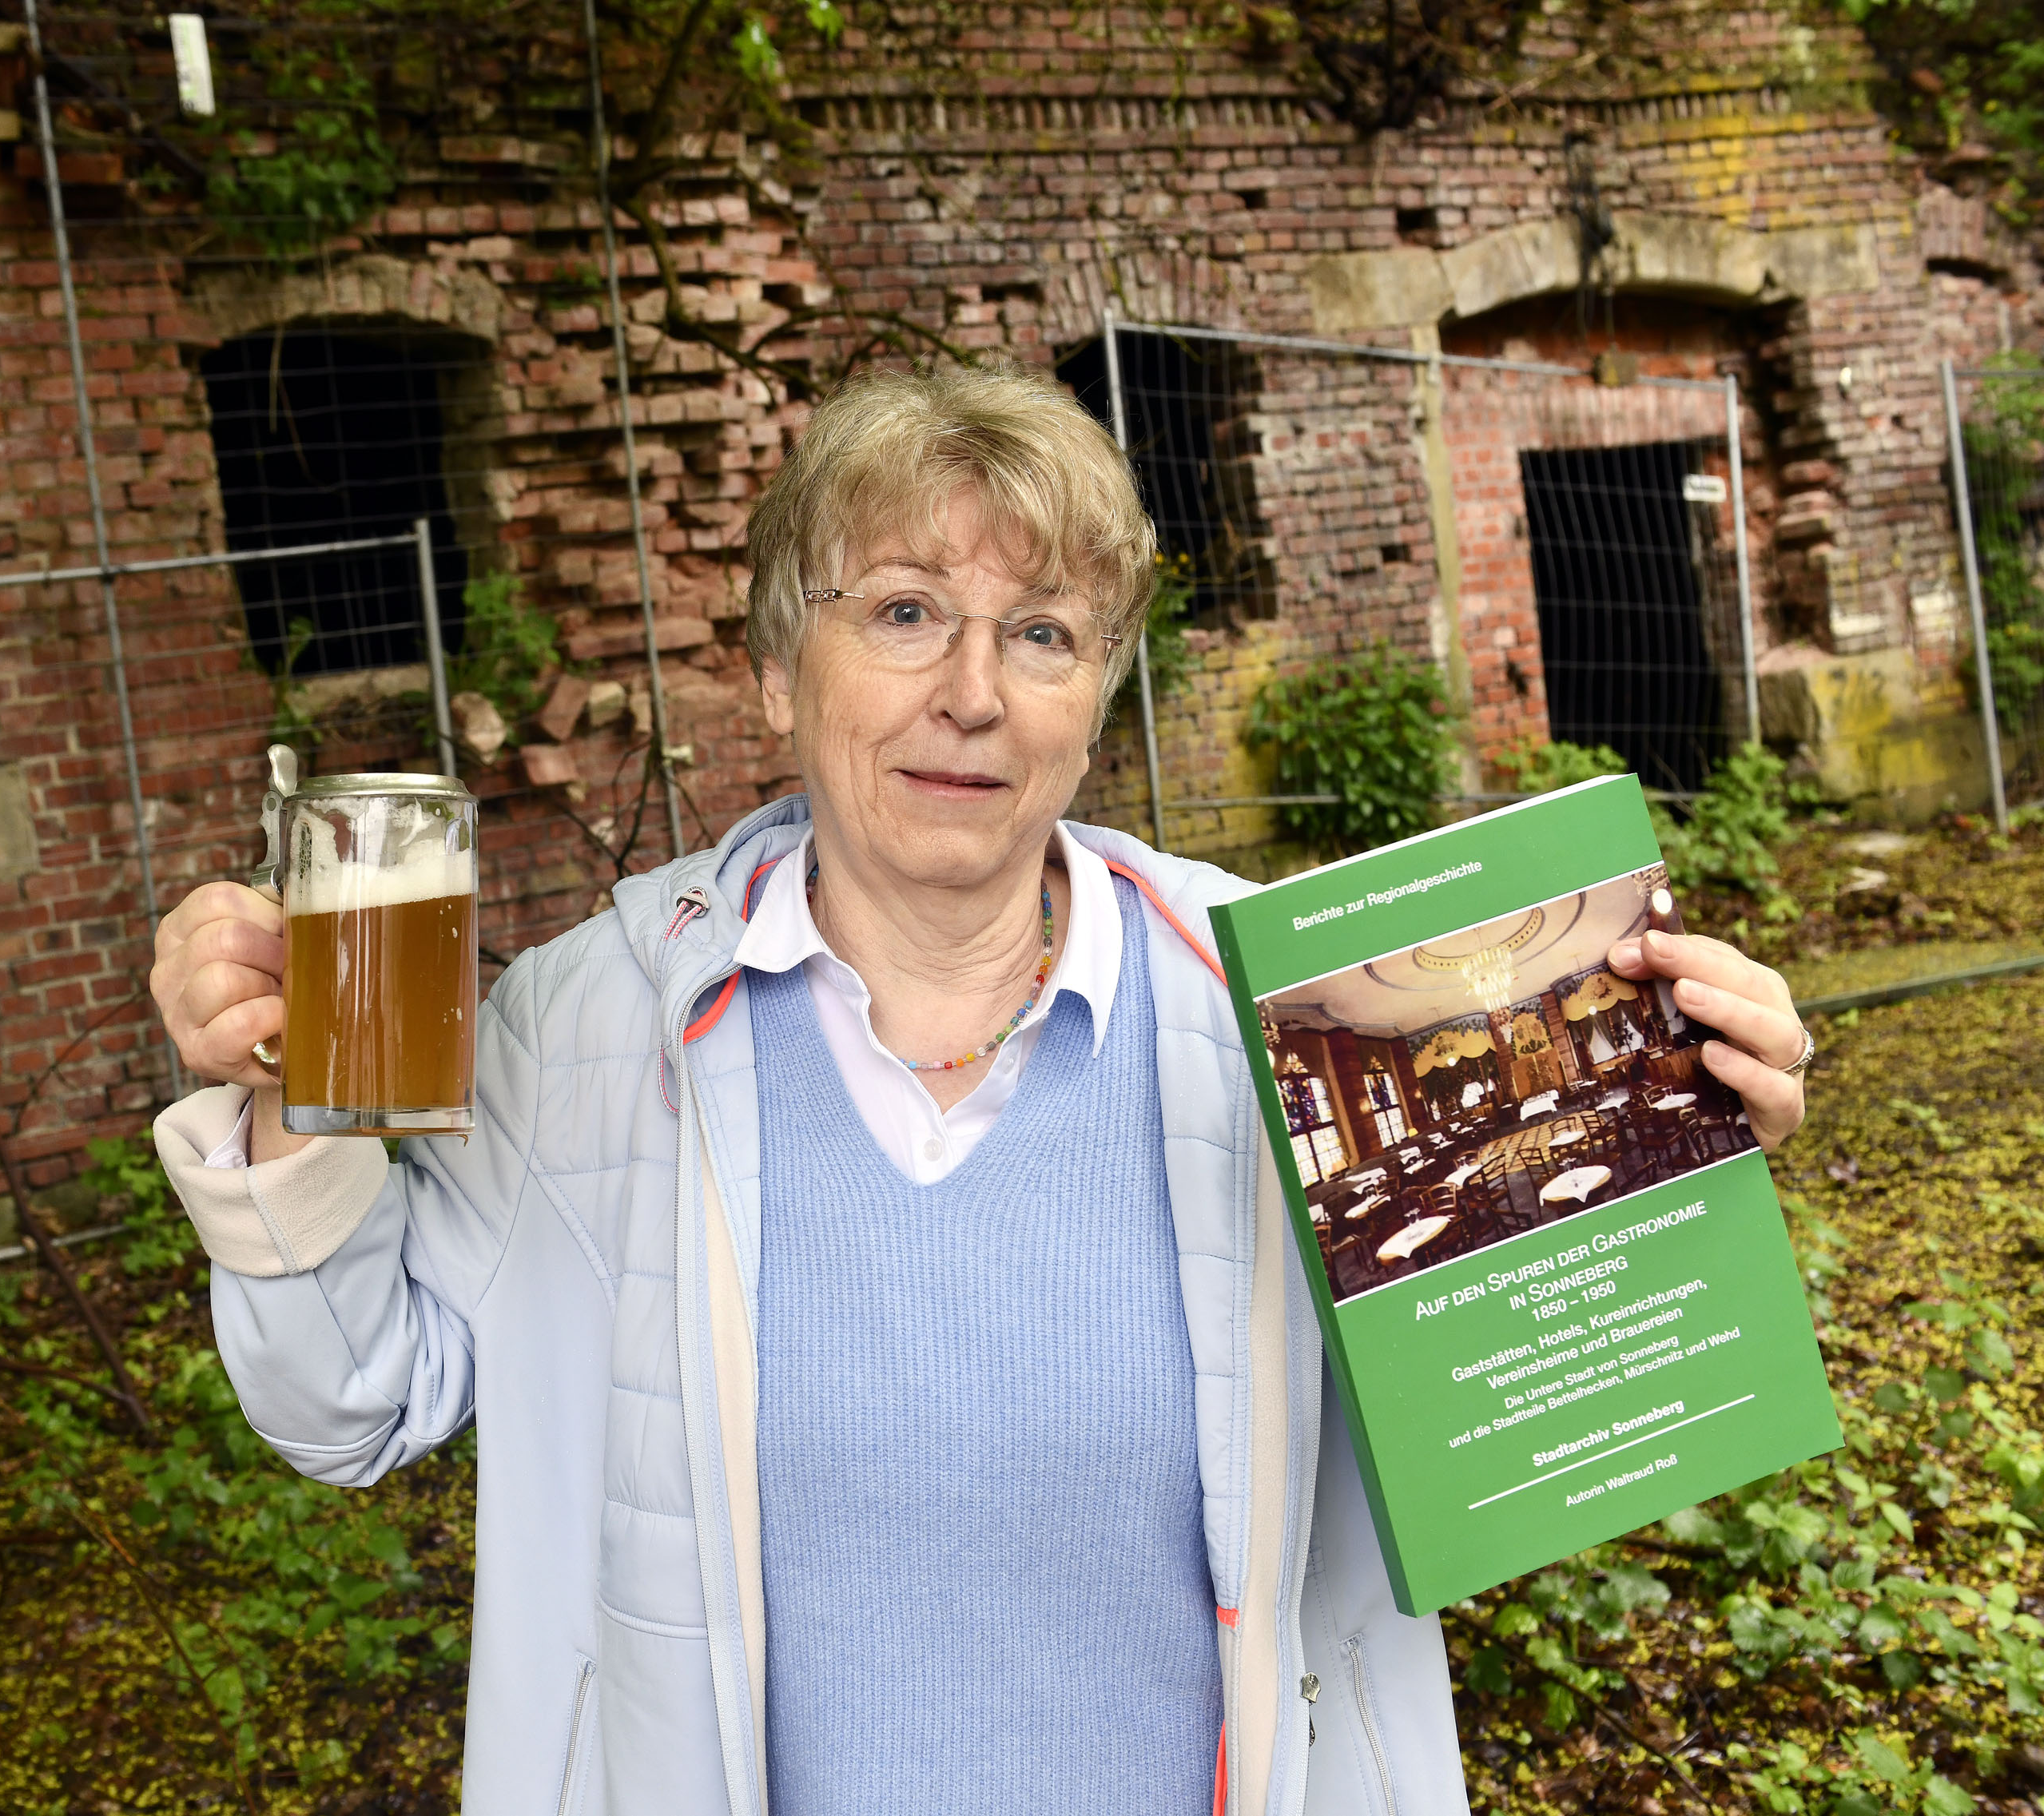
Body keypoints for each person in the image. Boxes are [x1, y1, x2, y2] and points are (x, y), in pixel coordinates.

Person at [148, 364, 1813, 1816]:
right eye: (898, 612)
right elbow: (349, 1402)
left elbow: (1511, 1439)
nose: (969, 691)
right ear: (771, 667)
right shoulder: (583, 1021)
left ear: (1097, 693)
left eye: (1040, 632)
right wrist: (285, 1097)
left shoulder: (1291, 1007)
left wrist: (1670, 1132)